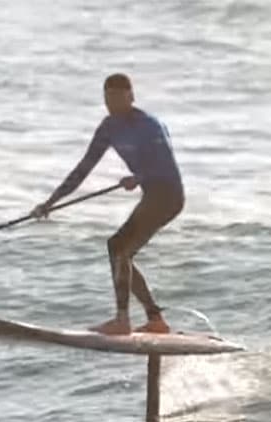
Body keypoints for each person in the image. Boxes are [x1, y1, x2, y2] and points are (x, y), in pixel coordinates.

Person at [32, 73, 185, 335]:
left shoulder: (150, 125)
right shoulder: (108, 128)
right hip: (152, 196)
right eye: (107, 97)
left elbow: (165, 164)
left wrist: (139, 177)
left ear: (131, 96)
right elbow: (83, 169)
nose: (112, 103)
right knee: (119, 250)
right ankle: (155, 319)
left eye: (118, 97)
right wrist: (50, 202)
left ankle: (123, 320)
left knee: (119, 249)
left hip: (167, 194)